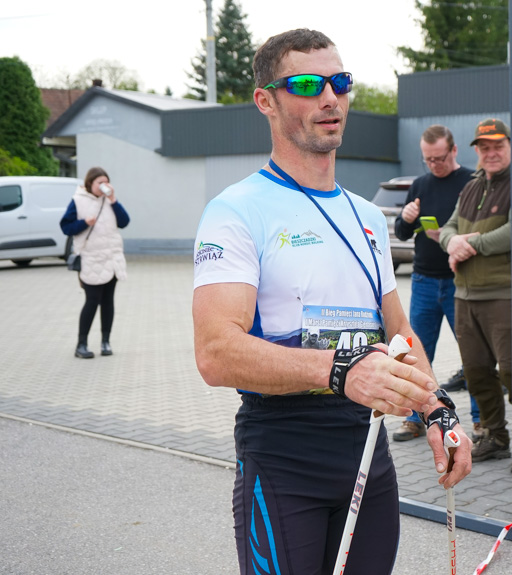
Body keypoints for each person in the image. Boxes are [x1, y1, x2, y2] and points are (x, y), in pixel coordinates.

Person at [191, 29, 471, 575]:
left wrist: (436, 408)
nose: (329, 97)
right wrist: (342, 369)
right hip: (282, 453)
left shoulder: (367, 216)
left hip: (367, 450)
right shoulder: (237, 211)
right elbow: (215, 353)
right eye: (305, 83)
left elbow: (400, 335)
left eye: (339, 82)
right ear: (265, 100)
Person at [438, 118, 512, 472]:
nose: (491, 153)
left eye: (497, 146)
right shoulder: (471, 186)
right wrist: (450, 241)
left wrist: (472, 246)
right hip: (465, 296)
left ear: (510, 147)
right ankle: (496, 436)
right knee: (476, 372)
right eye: (484, 147)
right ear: (477, 151)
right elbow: (449, 227)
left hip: (504, 295)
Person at [390, 124, 482, 442]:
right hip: (424, 280)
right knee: (416, 354)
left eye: (439, 158)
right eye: (428, 160)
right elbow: (400, 233)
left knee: (473, 354)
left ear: (454, 151)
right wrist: (407, 217)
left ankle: (481, 423)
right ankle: (416, 419)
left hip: (460, 281)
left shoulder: (471, 182)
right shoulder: (420, 184)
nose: (434, 165)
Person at [60, 167, 130, 359]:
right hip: (91, 259)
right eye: (100, 182)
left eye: (106, 182)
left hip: (112, 259)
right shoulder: (78, 201)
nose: (103, 186)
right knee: (92, 301)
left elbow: (124, 222)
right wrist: (84, 223)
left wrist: (113, 200)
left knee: (108, 302)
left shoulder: (109, 201)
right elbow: (65, 227)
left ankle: (105, 342)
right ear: (90, 183)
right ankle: (81, 344)